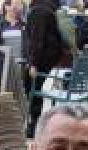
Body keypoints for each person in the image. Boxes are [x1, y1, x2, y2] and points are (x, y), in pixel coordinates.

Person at [23, 0, 70, 137]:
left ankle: (34, 124)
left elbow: (37, 40)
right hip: (51, 56)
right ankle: (34, 121)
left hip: (43, 57)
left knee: (31, 86)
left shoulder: (39, 11)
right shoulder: (51, 7)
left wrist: (33, 63)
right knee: (32, 85)